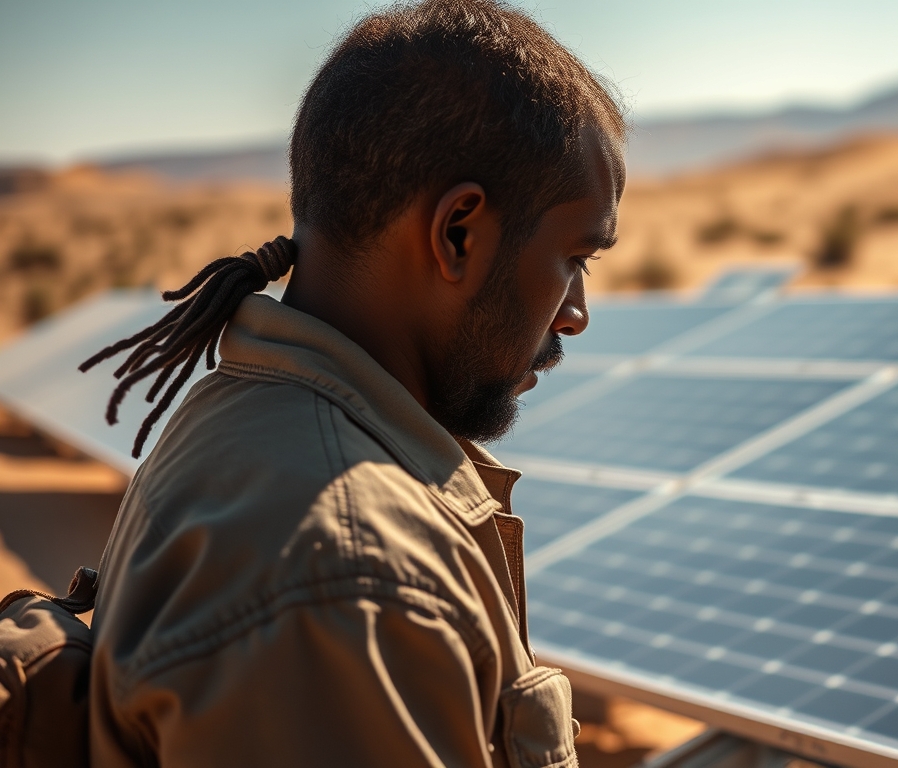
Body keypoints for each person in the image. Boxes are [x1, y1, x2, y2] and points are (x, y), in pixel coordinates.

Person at [82, 1, 625, 765]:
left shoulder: (248, 415)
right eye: (575, 258)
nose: (575, 315)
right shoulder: (351, 578)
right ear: (458, 233)